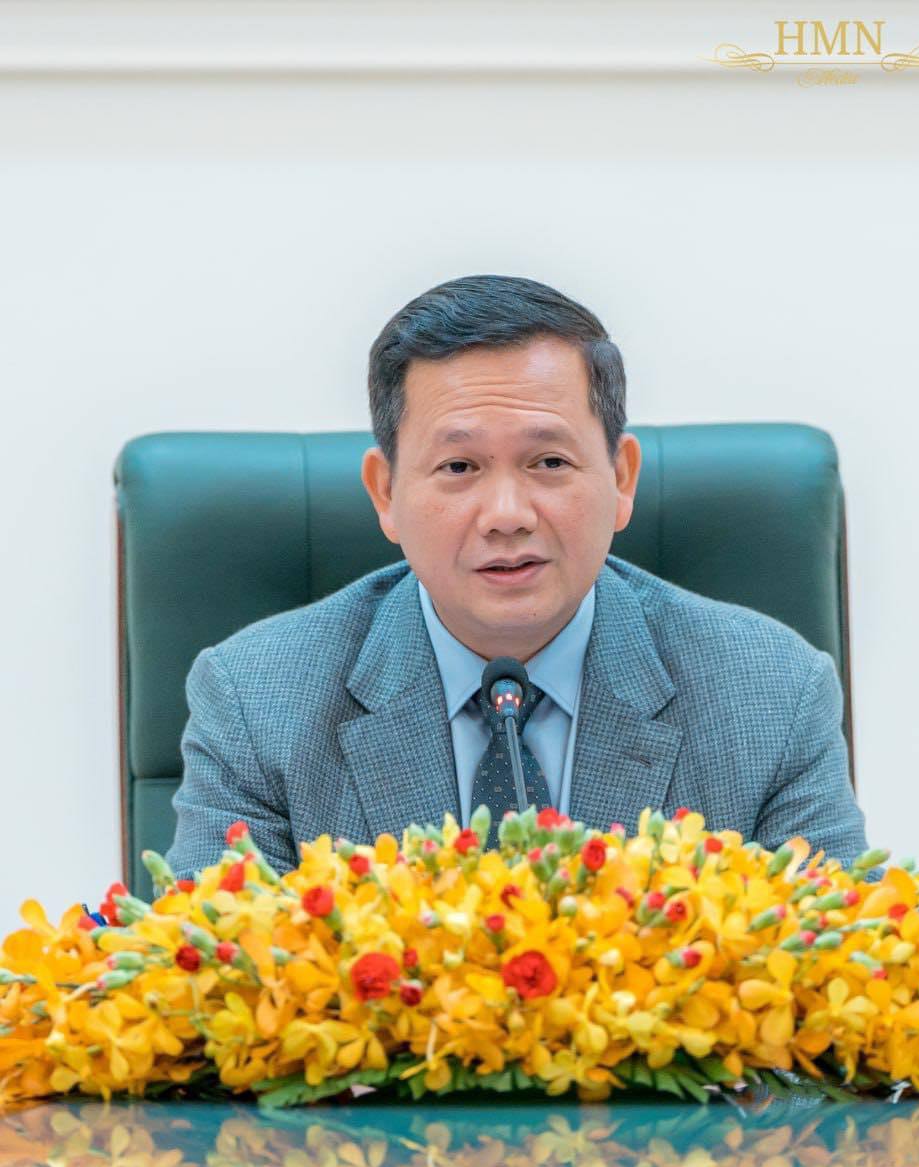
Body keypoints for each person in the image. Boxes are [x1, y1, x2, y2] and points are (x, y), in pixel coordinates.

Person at [164, 274, 868, 881]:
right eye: (459, 467)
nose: (506, 515)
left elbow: (830, 971)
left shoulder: (771, 694)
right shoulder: (258, 701)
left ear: (621, 478)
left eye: (549, 463)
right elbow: (215, 972)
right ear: (385, 492)